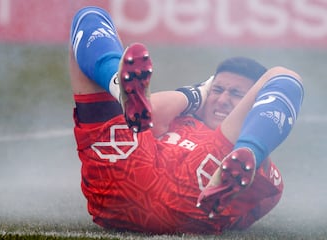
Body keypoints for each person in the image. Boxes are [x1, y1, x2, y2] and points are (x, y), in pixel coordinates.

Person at [69, 6, 304, 234]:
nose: (222, 100)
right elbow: (148, 112)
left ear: (254, 104)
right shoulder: (179, 117)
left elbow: (260, 197)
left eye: (235, 94)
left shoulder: (258, 161)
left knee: (283, 75)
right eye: (217, 90)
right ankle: (117, 84)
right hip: (122, 169)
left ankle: (248, 151)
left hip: (201, 188)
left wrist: (247, 148)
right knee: (90, 18)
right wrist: (198, 93)